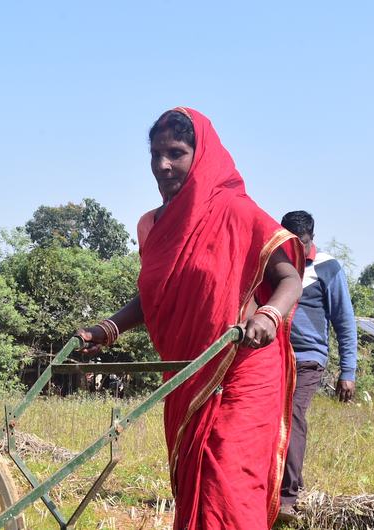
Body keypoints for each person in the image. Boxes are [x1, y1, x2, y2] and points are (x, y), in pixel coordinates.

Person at [77, 107, 304, 529]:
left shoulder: (238, 213)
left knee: (227, 485)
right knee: (194, 483)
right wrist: (106, 328)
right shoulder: (155, 226)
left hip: (242, 370)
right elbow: (153, 296)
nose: (162, 165)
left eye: (176, 153)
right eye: (155, 153)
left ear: (201, 156)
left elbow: (289, 277)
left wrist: (270, 315)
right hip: (188, 371)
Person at [276, 210, 358, 524]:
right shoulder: (274, 262)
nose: (298, 249)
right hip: (273, 356)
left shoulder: (327, 267)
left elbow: (344, 321)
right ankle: (270, 486)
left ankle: (288, 497)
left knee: (292, 417)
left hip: (308, 357)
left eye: (304, 243)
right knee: (266, 420)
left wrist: (347, 371)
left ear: (312, 238)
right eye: (291, 243)